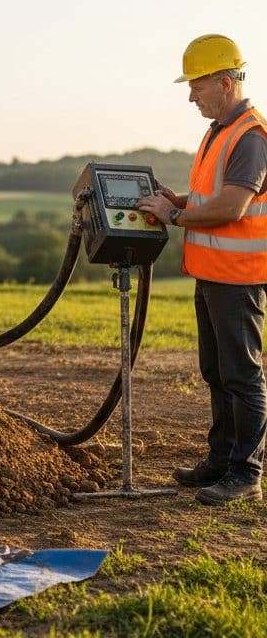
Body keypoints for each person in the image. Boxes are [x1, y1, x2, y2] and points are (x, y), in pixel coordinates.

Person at [137, 34, 267, 506]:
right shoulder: (219, 131)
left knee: (242, 376)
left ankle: (245, 473)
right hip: (213, 273)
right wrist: (180, 199)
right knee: (216, 371)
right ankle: (221, 459)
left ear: (225, 83)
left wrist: (175, 216)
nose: (191, 95)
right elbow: (214, 195)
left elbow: (232, 207)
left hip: (238, 276)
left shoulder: (250, 136)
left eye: (197, 85)